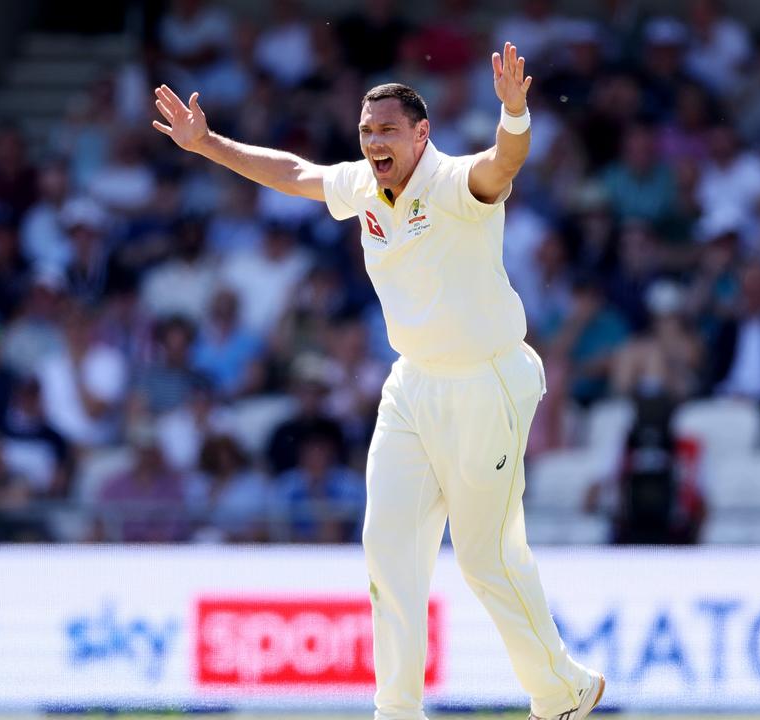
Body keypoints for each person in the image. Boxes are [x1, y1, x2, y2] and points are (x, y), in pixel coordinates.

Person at [151, 41, 604, 720]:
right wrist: (210, 142)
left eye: (388, 129)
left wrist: (514, 115)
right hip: (412, 384)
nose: (373, 141)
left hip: (487, 381)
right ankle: (396, 712)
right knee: (387, 552)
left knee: (485, 557)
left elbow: (501, 166)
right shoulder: (364, 185)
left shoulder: (452, 183)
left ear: (422, 134)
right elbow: (297, 173)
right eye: (366, 131)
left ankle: (563, 691)